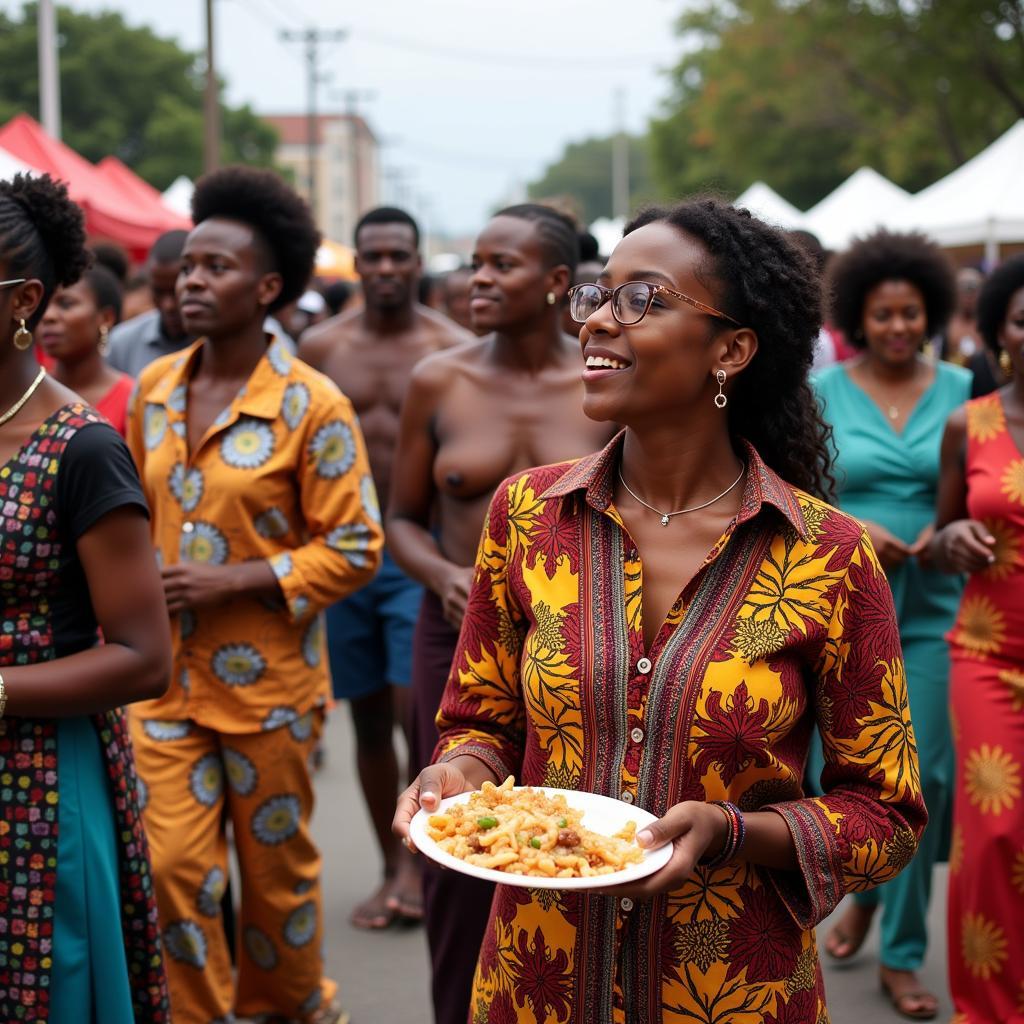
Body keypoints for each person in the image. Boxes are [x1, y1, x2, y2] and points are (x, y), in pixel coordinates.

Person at [394, 197, 928, 1023]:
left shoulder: (827, 555)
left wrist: (731, 830)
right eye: (598, 296)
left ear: (732, 350)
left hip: (732, 989)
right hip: (538, 979)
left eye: (641, 299)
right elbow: (480, 724)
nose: (599, 321)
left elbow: (884, 816)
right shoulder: (528, 517)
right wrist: (456, 777)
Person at [126, 166, 383, 1024]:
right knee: (171, 870)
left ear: (269, 288)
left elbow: (356, 547)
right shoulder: (155, 392)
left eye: (215, 268)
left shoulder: (315, 406)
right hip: (161, 683)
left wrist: (235, 578)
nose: (191, 280)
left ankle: (297, 1008)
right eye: (187, 266)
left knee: (275, 884)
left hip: (270, 691)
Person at [387, 202, 619, 1024]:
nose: (477, 278)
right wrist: (451, 574)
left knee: (569, 831)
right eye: (476, 262)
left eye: (501, 265)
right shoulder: (440, 379)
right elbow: (400, 518)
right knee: (455, 835)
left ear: (559, 283)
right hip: (457, 633)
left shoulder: (603, 380)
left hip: (583, 639)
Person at [0, 173, 171, 1022]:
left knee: (42, 988)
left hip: (36, 777)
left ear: (23, 301)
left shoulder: (82, 449)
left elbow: (145, 658)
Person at [299, 206, 470, 930]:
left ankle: (418, 863)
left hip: (418, 549)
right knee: (367, 715)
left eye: (400, 255)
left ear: (416, 258)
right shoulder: (320, 344)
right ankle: (388, 864)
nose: (387, 269)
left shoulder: (452, 347)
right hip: (341, 552)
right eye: (374, 257)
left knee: (418, 713)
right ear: (357, 263)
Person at [812, 230, 966, 1019]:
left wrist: (954, 536)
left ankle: (902, 956)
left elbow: (991, 487)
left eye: (912, 314)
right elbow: (791, 486)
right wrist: (852, 527)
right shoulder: (825, 392)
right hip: (840, 613)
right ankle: (867, 894)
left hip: (938, 612)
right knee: (833, 781)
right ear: (858, 320)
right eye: (884, 315)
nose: (900, 328)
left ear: (931, 314)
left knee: (926, 782)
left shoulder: (966, 390)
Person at [929, 253, 1024, 1023]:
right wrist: (955, 532)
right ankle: (988, 1011)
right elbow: (939, 531)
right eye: (1023, 319)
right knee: (992, 835)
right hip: (989, 657)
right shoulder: (972, 422)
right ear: (997, 332)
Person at [38, 263, 135, 434]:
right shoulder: (25, 394)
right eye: (43, 305)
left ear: (105, 318)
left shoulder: (133, 400)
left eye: (66, 304)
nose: (48, 316)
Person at [107, 228, 191, 377]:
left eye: (176, 292)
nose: (168, 305)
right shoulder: (123, 343)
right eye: (158, 292)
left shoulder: (221, 343)